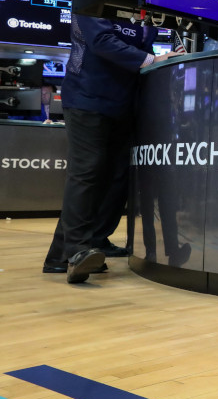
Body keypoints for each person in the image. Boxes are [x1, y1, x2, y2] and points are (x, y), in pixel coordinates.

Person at [42, 15, 181, 283]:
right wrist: (152, 60)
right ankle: (78, 250)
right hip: (87, 99)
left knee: (116, 177)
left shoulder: (145, 15)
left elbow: (141, 52)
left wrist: (165, 58)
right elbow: (101, 41)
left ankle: (74, 249)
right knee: (88, 171)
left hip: (124, 104)